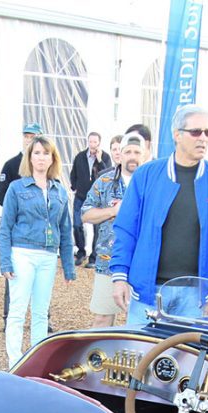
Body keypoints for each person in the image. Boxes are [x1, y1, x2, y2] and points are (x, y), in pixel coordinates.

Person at [109, 105, 208, 326]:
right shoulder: (146, 175)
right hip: (148, 292)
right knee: (141, 356)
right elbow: (126, 228)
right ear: (177, 134)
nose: (203, 138)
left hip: (196, 297)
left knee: (187, 359)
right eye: (196, 132)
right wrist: (120, 275)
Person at [0, 135, 75, 366]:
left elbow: (65, 229)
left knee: (41, 312)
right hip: (22, 252)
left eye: (46, 153)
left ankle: (35, 361)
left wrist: (69, 267)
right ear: (30, 158)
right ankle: (14, 361)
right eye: (37, 153)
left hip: (48, 256)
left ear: (53, 158)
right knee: (18, 310)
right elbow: (6, 226)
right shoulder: (16, 188)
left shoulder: (59, 191)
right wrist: (5, 262)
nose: (41, 158)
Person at [82, 133, 148, 326]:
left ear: (144, 155)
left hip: (143, 264)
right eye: (128, 151)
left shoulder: (152, 184)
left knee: (141, 325)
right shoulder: (105, 182)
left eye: (137, 152)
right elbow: (85, 214)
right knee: (103, 319)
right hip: (108, 261)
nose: (132, 156)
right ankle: (98, 356)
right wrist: (113, 211)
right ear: (120, 154)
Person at [0, 122, 41, 323]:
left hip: (40, 235)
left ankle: (42, 317)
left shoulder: (47, 168)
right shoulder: (11, 165)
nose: (29, 139)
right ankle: (10, 318)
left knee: (41, 279)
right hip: (15, 230)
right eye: (27, 136)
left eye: (33, 136)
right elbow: (1, 197)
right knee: (12, 277)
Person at [68, 131, 110, 268]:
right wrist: (74, 186)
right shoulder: (80, 156)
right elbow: (73, 173)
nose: (92, 145)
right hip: (81, 196)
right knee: (77, 225)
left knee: (98, 228)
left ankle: (93, 258)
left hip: (98, 199)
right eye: (90, 142)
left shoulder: (105, 157)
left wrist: (99, 160)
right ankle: (81, 252)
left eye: (95, 142)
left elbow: (109, 173)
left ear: (99, 143)